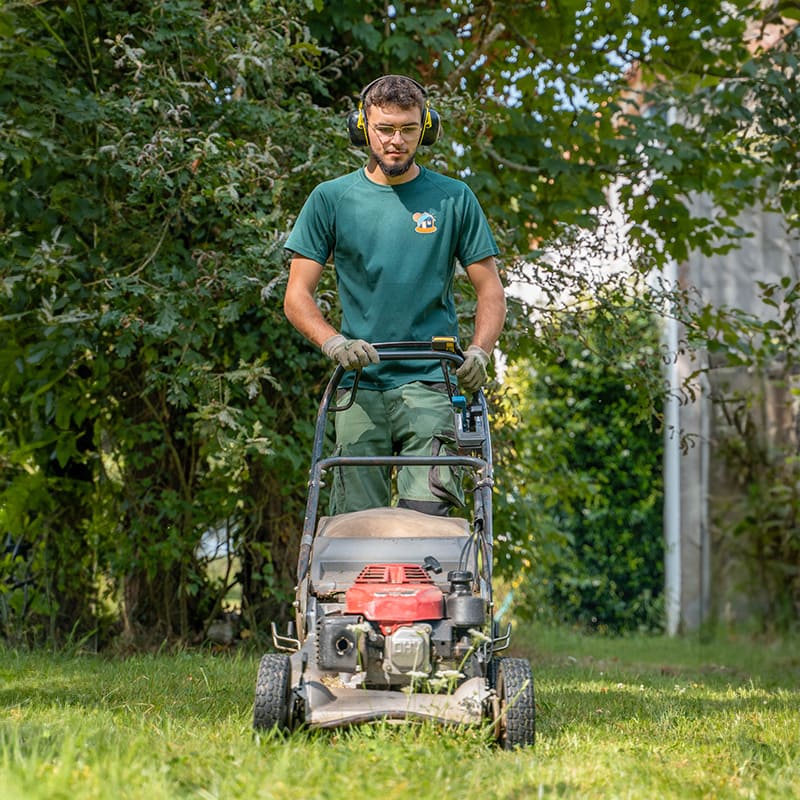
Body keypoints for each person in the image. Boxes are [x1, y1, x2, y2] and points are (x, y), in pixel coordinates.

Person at [283, 74, 506, 516]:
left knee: (428, 521)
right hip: (360, 383)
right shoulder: (332, 199)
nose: (396, 141)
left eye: (408, 128)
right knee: (354, 528)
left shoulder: (453, 199)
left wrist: (480, 352)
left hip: (432, 381)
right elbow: (296, 296)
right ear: (362, 126)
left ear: (426, 127)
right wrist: (334, 342)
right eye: (385, 128)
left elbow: (490, 290)